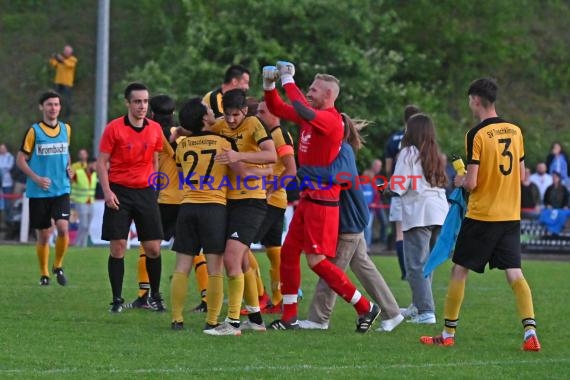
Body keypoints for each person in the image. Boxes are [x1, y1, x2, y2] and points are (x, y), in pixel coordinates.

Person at [420, 78, 541, 351]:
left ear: (475, 99)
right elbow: (522, 177)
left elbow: (472, 183)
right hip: (510, 216)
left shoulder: (476, 134)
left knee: (459, 270)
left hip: (482, 216)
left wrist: (459, 178)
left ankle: (448, 333)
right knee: (514, 273)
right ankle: (530, 331)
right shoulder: (516, 130)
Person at [264, 61, 380, 332]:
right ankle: (289, 316)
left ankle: (365, 306)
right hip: (308, 199)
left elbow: (300, 106)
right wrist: (269, 85)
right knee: (289, 253)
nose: (309, 92)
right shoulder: (313, 114)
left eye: (314, 89)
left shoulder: (329, 119)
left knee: (316, 262)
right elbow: (278, 108)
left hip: (323, 203)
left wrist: (287, 80)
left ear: (328, 95)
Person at [298, 113, 404, 332]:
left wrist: (303, 169)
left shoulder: (343, 149)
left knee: (331, 270)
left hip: (349, 219)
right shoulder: (337, 149)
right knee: (363, 267)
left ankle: (319, 319)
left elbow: (337, 176)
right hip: (351, 218)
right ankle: (392, 313)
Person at [203, 89, 276, 336]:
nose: (231, 120)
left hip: (252, 202)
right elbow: (203, 135)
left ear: (244, 111)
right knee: (242, 260)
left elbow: (271, 155)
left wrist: (239, 157)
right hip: (228, 200)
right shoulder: (220, 125)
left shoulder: (255, 123)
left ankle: (233, 323)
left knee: (231, 259)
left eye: (236, 115)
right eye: (228, 115)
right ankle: (255, 319)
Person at [96, 82, 165, 313]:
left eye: (145, 101)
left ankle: (155, 296)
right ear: (128, 103)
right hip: (119, 191)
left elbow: (156, 159)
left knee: (153, 248)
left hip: (145, 192)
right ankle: (116, 300)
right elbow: (101, 163)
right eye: (137, 101)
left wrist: (154, 187)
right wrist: (107, 192)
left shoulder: (155, 128)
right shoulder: (114, 128)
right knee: (118, 247)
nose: (142, 106)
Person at [392, 113, 449, 324]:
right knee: (427, 264)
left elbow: (398, 186)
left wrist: (382, 187)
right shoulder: (434, 153)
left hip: (419, 213)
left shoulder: (408, 152)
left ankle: (426, 311)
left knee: (415, 265)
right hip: (440, 212)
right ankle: (418, 305)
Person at [16, 91, 71, 286]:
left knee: (63, 228)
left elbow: (66, 153)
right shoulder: (34, 131)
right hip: (39, 191)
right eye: (49, 104)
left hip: (61, 189)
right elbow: (20, 159)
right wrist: (36, 178)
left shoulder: (66, 129)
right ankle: (45, 274)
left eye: (56, 104)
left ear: (60, 107)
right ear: (42, 107)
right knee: (44, 235)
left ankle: (58, 265)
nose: (53, 108)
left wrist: (68, 167)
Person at [252, 100, 297, 313]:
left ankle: (260, 296)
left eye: (263, 111)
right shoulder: (273, 135)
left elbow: (291, 170)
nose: (258, 115)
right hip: (276, 202)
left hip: (270, 202)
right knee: (273, 250)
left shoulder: (278, 135)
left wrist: (270, 190)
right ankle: (278, 300)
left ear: (275, 114)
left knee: (240, 247)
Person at [385, 104, 421, 283]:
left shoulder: (394, 139)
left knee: (400, 233)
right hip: (417, 190)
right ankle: (417, 271)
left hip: (398, 189)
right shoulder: (422, 138)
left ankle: (405, 272)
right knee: (417, 233)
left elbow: (388, 167)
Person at [70, 157, 98, 247]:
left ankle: (83, 246)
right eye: (94, 165)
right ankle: (77, 244)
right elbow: (70, 180)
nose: (96, 167)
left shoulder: (94, 174)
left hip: (91, 202)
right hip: (80, 202)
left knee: (87, 227)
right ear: (89, 164)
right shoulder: (78, 173)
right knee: (84, 225)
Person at [49, 45, 77, 119]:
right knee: (55, 99)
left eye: (67, 51)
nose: (65, 52)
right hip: (58, 82)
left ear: (71, 53)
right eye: (65, 51)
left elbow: (69, 65)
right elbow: (53, 63)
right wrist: (53, 57)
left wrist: (61, 59)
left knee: (67, 99)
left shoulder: (72, 59)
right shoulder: (60, 60)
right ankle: (56, 113)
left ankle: (68, 114)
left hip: (67, 83)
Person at [0, 143, 15, 226]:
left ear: (6, 149)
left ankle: (8, 220)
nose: (1, 150)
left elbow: (8, 167)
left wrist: (2, 168)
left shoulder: (10, 157)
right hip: (0, 182)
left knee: (7, 202)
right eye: (0, 148)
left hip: (7, 182)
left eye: (3, 148)